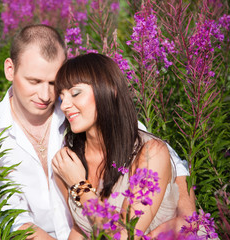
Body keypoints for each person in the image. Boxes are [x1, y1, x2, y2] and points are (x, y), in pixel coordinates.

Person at [0, 24, 194, 240]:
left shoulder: (140, 149)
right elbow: (14, 218)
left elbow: (160, 153)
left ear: (108, 90)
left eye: (53, 84)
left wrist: (187, 218)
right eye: (34, 81)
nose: (48, 96)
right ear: (10, 70)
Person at [52, 53, 190, 239]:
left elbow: (126, 236)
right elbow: (82, 229)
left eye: (75, 93)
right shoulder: (69, 163)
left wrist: (81, 188)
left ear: (110, 89)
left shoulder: (150, 153)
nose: (64, 105)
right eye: (61, 97)